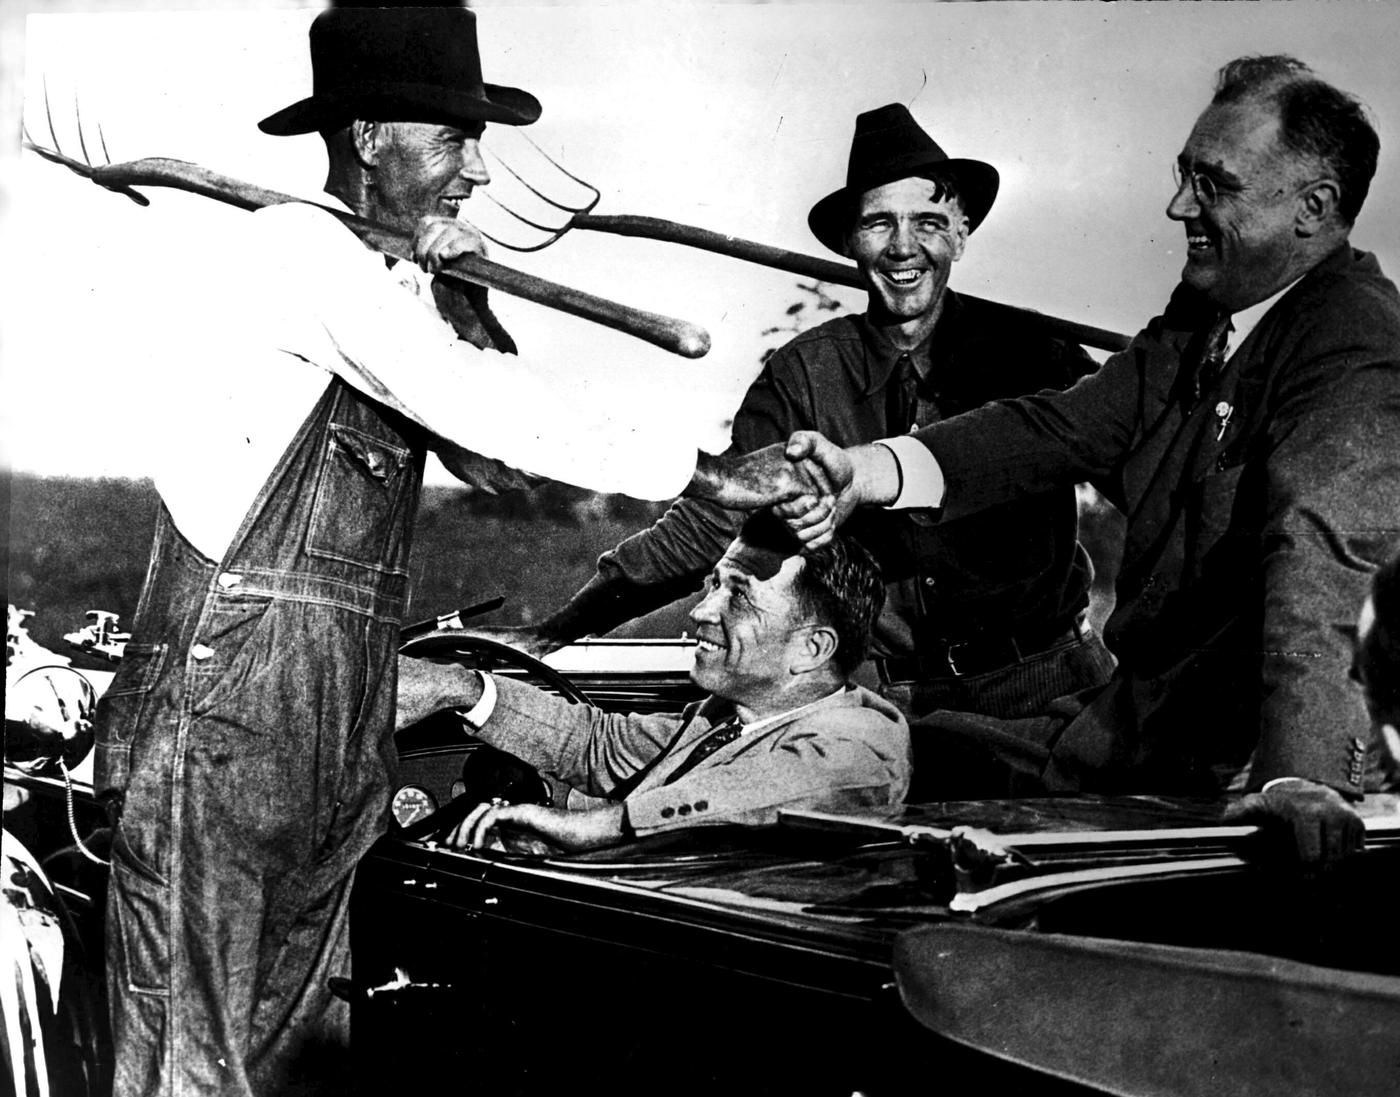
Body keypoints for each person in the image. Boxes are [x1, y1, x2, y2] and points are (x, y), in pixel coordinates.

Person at [90, 9, 817, 1096]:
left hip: (325, 734)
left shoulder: (384, 286)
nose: (476, 170)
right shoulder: (297, 252)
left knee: (298, 1070)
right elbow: (482, 408)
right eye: (453, 138)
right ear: (369, 135)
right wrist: (712, 474)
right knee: (190, 1070)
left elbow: (494, 469)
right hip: (223, 724)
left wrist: (462, 289)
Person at [772, 56, 1400, 866]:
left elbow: (1324, 554)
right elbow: (1059, 427)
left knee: (859, 774)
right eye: (1183, 175)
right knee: (869, 745)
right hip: (1127, 724)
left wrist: (1300, 778)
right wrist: (869, 469)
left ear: (1312, 208)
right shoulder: (1208, 314)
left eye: (1214, 184)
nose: (1179, 205)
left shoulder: (1353, 339)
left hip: (1221, 771)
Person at [487, 104, 1115, 732]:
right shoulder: (803, 373)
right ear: (849, 242)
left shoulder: (1038, 354)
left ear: (961, 234)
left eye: (928, 222)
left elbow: (1144, 471)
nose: (904, 246)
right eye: (878, 223)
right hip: (895, 709)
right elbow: (711, 523)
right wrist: (554, 632)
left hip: (1052, 687)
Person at [396, 515, 910, 853]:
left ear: (812, 649)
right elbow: (595, 743)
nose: (701, 611)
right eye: (713, 586)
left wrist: (593, 827)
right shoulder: (723, 719)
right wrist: (459, 688)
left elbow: (762, 789)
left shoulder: (863, 743)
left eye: (739, 597)